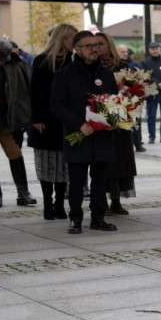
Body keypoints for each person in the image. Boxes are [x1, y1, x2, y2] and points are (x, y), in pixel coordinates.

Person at [50, 31, 118, 234]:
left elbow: (114, 100)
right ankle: (76, 219)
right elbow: (57, 105)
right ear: (76, 49)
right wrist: (79, 125)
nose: (94, 49)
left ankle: (98, 218)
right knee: (77, 181)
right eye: (89, 46)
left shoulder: (105, 74)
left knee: (99, 180)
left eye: (96, 45)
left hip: (102, 136)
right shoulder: (64, 75)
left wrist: (114, 120)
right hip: (79, 135)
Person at [28, 24, 75, 219]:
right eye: (73, 38)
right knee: (47, 163)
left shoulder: (73, 61)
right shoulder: (42, 60)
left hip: (65, 119)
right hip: (45, 120)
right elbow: (35, 92)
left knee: (63, 164)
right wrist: (36, 118)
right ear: (63, 39)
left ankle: (59, 204)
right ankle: (48, 203)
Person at [96, 33, 137, 217]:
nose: (97, 48)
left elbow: (130, 91)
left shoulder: (122, 65)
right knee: (103, 161)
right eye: (95, 44)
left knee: (120, 160)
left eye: (101, 44)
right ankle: (101, 201)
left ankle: (116, 200)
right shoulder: (93, 66)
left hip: (120, 117)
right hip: (100, 116)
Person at [0, 38, 36, 209]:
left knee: (16, 154)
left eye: (3, 59)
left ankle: (23, 193)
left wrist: (28, 115)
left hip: (13, 118)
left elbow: (30, 87)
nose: (0, 62)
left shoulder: (18, 64)